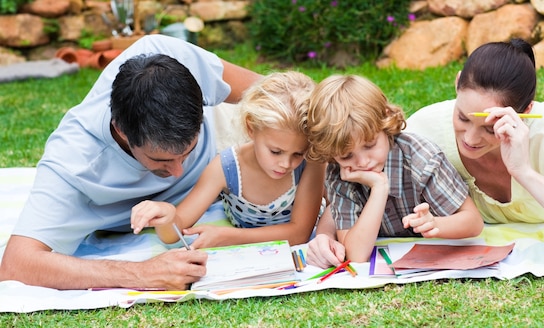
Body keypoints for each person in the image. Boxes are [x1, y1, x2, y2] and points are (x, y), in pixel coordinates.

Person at [308, 38, 544, 268]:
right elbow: (350, 184)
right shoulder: (425, 131)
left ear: (526, 111)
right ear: (458, 83)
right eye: (462, 117)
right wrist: (323, 235)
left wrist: (524, 171)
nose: (471, 139)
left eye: (490, 127)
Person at [0, 34, 262, 290]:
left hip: (222, 137)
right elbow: (17, 264)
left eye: (187, 152)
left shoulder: (167, 54)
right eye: (161, 160)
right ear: (122, 131)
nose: (177, 171)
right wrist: (141, 273)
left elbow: (273, 93)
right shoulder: (72, 163)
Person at [129, 71, 326, 248]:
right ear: (251, 128)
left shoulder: (311, 162)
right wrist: (166, 216)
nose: (286, 164)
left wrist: (230, 236)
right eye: (275, 151)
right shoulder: (227, 167)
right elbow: (174, 233)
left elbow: (299, 233)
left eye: (297, 153)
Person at [304, 74, 483, 262]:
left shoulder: (421, 159)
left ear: (386, 124)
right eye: (347, 155)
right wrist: (379, 189)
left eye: (370, 145)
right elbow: (356, 254)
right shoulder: (340, 173)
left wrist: (435, 223)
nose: (363, 162)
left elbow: (473, 222)